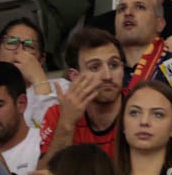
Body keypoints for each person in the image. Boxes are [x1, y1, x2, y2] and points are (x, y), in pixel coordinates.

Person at [35, 28, 127, 164]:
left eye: (113, 65)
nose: (107, 76)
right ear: (75, 77)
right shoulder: (58, 114)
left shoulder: (139, 107)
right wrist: (67, 124)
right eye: (95, 67)